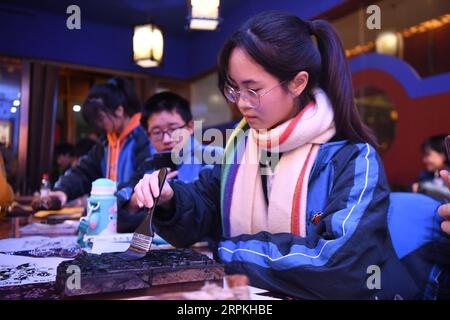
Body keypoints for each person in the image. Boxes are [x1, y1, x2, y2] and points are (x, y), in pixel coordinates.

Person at [134, 11, 449, 299]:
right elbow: (204, 204)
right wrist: (170, 199)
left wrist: (228, 252)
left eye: (253, 89)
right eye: (233, 88)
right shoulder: (243, 148)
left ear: (298, 83)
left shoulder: (353, 160)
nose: (241, 103)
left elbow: (338, 263)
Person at [116, 92, 223, 232]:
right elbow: (117, 218)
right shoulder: (146, 166)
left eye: (173, 129)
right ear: (148, 135)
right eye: (156, 132)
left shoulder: (214, 157)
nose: (166, 139)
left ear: (190, 127)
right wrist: (136, 200)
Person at [45, 77, 151, 207]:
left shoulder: (144, 136)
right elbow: (84, 171)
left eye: (100, 118)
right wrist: (62, 191)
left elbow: (142, 179)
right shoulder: (106, 142)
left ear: (119, 110)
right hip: (115, 216)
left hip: (137, 218)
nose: (99, 124)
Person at [412, 134, 450, 201]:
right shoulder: (425, 176)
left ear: (443, 154)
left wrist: (423, 188)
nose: (424, 160)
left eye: (428, 155)